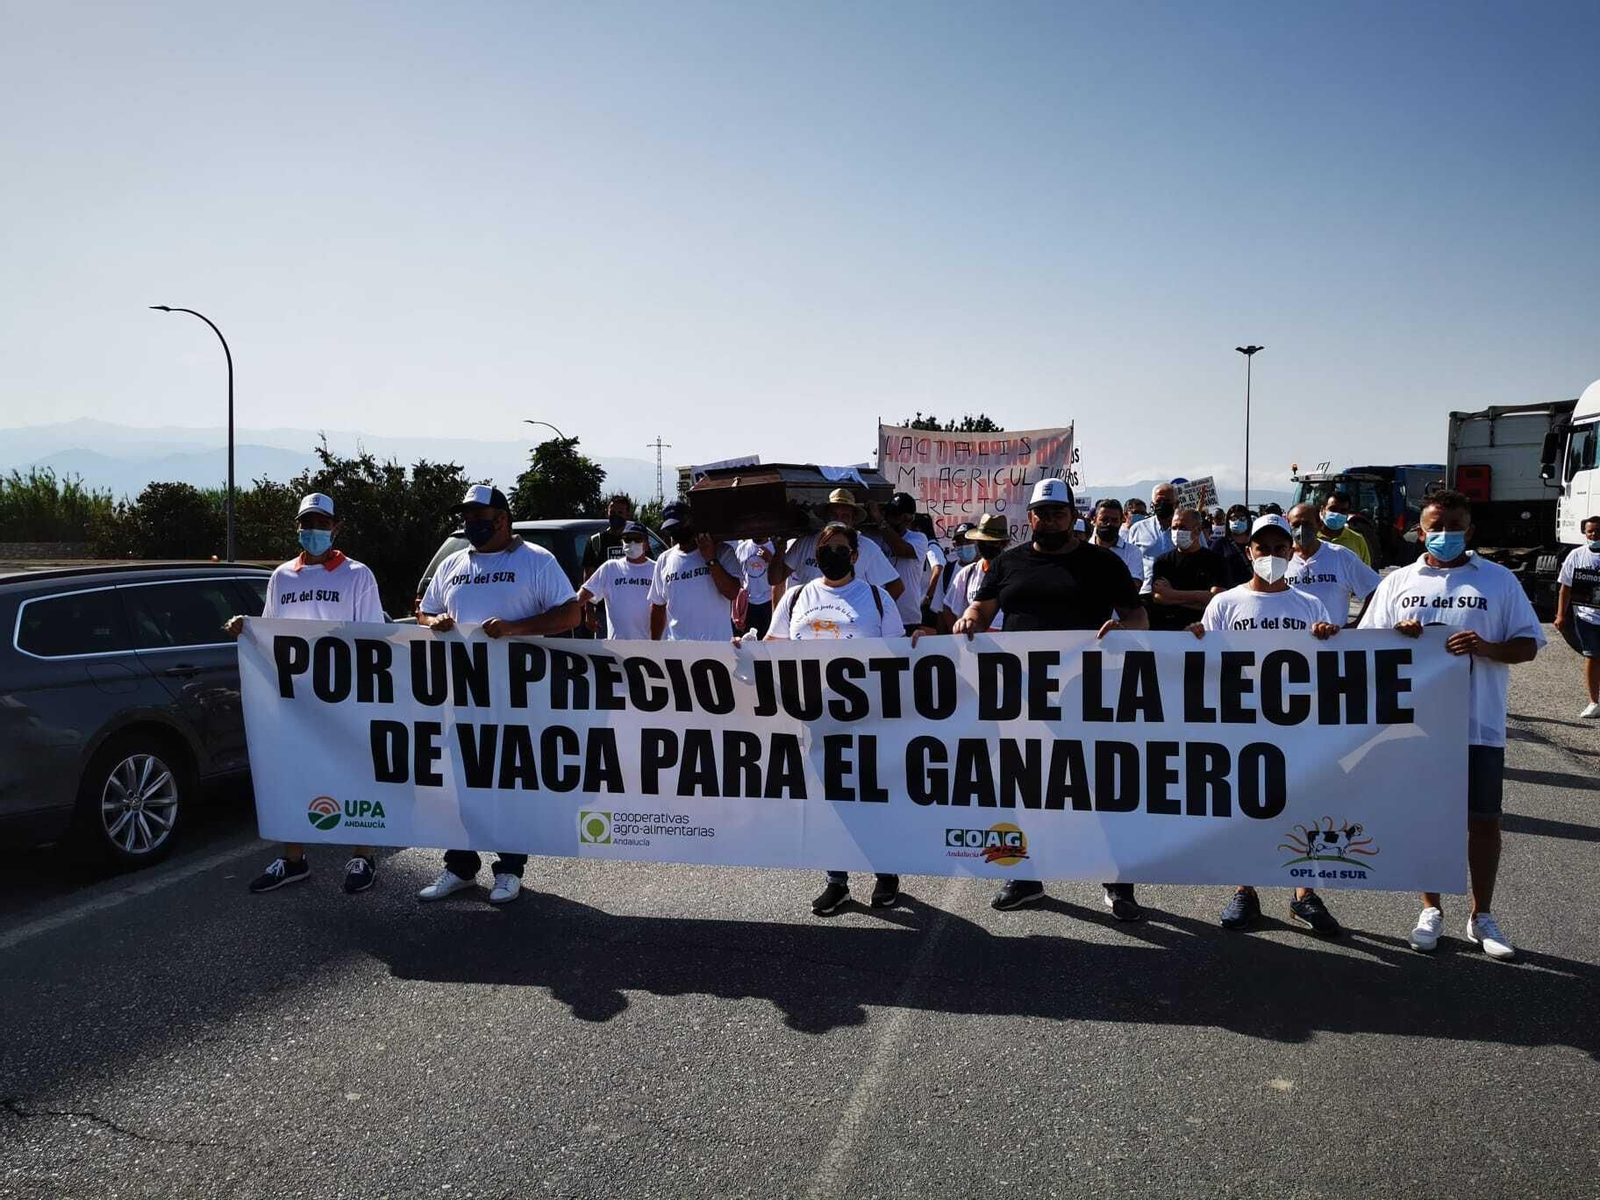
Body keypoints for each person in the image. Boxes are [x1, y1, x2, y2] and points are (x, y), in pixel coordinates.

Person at [1359, 490, 1544, 959]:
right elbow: (1364, 648)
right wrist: (1396, 636)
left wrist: (1487, 647)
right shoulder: (1398, 582)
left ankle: (1482, 916)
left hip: (1478, 724)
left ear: (1470, 530)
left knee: (1484, 821)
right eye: (1436, 526)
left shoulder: (1498, 580)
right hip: (1415, 727)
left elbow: (1528, 645)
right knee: (1427, 819)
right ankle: (1431, 909)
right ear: (1420, 532)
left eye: (1454, 526)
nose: (1445, 534)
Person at [957, 479, 1149, 918]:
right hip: (1021, 697)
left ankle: (1119, 881)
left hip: (1089, 695)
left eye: (1057, 513)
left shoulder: (1103, 563)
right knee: (1022, 786)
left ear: (1073, 516)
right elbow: (981, 609)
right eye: (1041, 513)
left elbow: (1138, 616)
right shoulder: (1007, 562)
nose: (1049, 520)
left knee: (1103, 789)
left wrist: (1125, 630)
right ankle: (1024, 877)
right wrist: (968, 619)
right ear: (1030, 518)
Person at [416, 485, 582, 905]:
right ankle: (460, 867)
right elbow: (424, 609)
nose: (471, 522)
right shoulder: (453, 563)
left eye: (480, 515)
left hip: (517, 698)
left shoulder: (536, 561)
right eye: (467, 516)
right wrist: (433, 621)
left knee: (510, 784)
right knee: (463, 785)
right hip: (462, 696)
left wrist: (514, 628)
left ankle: (509, 869)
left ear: (503, 519)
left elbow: (570, 613)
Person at [1188, 514, 1344, 936]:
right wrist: (1195, 639)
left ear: (1291, 552)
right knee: (1246, 808)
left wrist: (1330, 637)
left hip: (1297, 725)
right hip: (1242, 724)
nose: (1271, 555)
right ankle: (1246, 889)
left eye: (1280, 548)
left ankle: (1304, 893)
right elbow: (1206, 661)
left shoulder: (1309, 605)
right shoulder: (1225, 604)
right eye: (1263, 548)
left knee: (1304, 804)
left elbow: (1331, 664)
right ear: (1248, 552)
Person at [229, 492, 385, 896]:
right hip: (296, 699)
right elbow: (270, 632)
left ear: (336, 527)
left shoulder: (357, 575)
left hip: (344, 696)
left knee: (354, 773)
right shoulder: (282, 576)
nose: (313, 531)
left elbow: (372, 637)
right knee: (293, 775)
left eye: (321, 523)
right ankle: (294, 859)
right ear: (297, 527)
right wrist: (245, 628)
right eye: (306, 523)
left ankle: (363, 856)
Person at [759, 522, 904, 914]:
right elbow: (773, 646)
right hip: (814, 719)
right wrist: (746, 650)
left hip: (867, 718)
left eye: (840, 549)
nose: (832, 555)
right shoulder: (796, 597)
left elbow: (899, 655)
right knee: (829, 803)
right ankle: (836, 881)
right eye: (825, 549)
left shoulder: (876, 599)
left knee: (872, 799)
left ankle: (886, 873)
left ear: (855, 556)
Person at [771, 488, 904, 606]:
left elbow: (896, 586)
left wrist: (872, 612)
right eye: (834, 515)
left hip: (848, 624)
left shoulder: (867, 547)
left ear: (853, 520)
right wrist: (781, 547)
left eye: (845, 516)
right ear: (826, 517)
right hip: (810, 621)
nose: (839, 520)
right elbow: (775, 579)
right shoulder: (805, 543)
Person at [648, 502, 743, 640]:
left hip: (717, 646)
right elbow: (658, 606)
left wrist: (710, 558)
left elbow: (732, 592)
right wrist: (654, 645)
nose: (676, 531)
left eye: (680, 526)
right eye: (671, 529)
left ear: (692, 522)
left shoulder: (722, 551)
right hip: (679, 647)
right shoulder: (664, 560)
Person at [1283, 503, 1380, 626]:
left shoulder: (1341, 556)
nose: (1301, 530)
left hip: (1332, 637)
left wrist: (1358, 624)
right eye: (1296, 525)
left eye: (1307, 524)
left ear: (1319, 524)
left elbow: (1376, 588)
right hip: (1292, 637)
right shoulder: (1282, 557)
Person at [1148, 507, 1229, 631]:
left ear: (1197, 530)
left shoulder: (1215, 561)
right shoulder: (1163, 561)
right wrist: (1199, 598)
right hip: (1170, 629)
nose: (1177, 532)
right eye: (1174, 528)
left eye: (1182, 528)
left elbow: (1216, 599)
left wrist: (1172, 595)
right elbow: (1159, 597)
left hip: (1204, 629)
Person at [1554, 515, 1600, 717]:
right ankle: (1594, 701)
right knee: (1591, 657)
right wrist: (1560, 615)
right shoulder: (1576, 555)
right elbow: (1565, 588)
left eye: (1598, 531)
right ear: (1584, 533)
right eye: (1590, 531)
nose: (1594, 535)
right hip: (1587, 618)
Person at [578, 520, 655, 640]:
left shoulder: (657, 569)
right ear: (622, 542)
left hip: (650, 644)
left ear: (646, 544)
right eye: (627, 539)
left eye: (637, 539)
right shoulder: (610, 568)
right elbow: (582, 597)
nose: (632, 543)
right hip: (617, 646)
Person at [871, 492, 934, 636]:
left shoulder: (918, 539)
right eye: (889, 514)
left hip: (907, 618)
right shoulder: (877, 537)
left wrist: (879, 519)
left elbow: (900, 549)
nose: (890, 519)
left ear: (908, 519)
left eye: (895, 515)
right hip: (881, 615)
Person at [938, 512, 1009, 632]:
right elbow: (948, 606)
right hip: (978, 639)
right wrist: (959, 634)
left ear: (1003, 544)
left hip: (1010, 638)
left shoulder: (1014, 571)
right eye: (982, 541)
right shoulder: (967, 573)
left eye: (993, 542)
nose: (986, 545)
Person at [1126, 482, 1177, 595]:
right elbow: (1129, 562)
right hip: (1145, 593)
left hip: (1178, 594)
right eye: (1159, 501)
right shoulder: (1138, 529)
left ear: (1176, 503)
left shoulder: (1187, 528)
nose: (1162, 504)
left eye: (1167, 501)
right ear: (1152, 504)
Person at [581, 493, 636, 577]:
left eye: (620, 512)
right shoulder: (596, 541)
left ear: (627, 515)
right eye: (612, 512)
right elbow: (589, 578)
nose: (616, 516)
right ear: (607, 514)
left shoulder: (637, 540)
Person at [1089, 499, 1144, 581]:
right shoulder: (1081, 550)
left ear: (1121, 521)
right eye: (1104, 519)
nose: (1109, 523)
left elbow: (1134, 584)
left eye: (1114, 520)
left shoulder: (1132, 551)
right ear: (1094, 520)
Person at [735, 536, 777, 639]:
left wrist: (771, 560)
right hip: (748, 604)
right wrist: (737, 609)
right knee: (746, 641)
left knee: (768, 641)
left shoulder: (774, 547)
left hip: (769, 602)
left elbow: (781, 575)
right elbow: (737, 578)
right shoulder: (742, 548)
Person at [1320, 492, 1372, 566]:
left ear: (1348, 513)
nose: (1337, 514)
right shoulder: (1312, 537)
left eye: (1343, 511)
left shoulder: (1357, 540)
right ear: (1322, 510)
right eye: (1333, 509)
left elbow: (1366, 569)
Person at [1215, 504, 1254, 586]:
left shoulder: (1256, 544)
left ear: (1248, 521)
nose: (1238, 521)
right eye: (1233, 518)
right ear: (1228, 521)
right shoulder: (1220, 544)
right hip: (1229, 590)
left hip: (1253, 589)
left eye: (1242, 518)